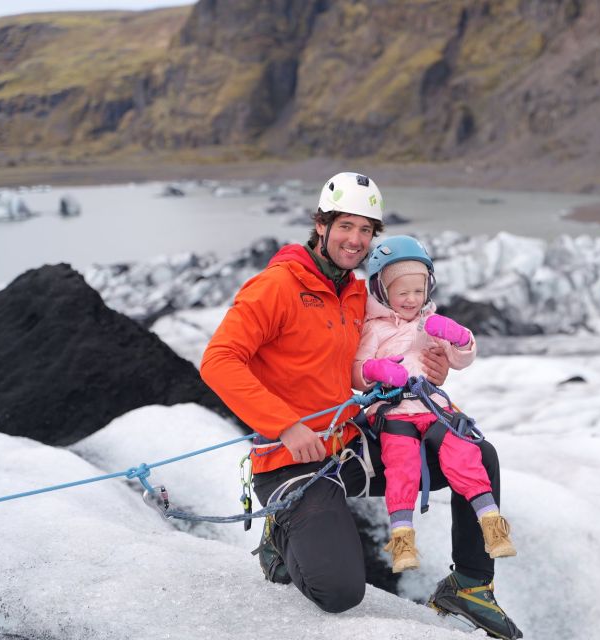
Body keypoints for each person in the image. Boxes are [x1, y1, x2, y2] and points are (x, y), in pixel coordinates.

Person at [199, 172, 523, 640]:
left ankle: (470, 584)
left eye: (366, 229)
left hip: (349, 448)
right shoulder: (275, 287)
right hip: (291, 458)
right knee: (339, 592)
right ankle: (280, 532)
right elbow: (218, 361)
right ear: (321, 225)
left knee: (475, 450)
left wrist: (431, 367)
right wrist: (286, 426)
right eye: (346, 226)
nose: (355, 239)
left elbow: (386, 350)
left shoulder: (355, 291)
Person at [351, 235, 517, 576]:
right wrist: (375, 370)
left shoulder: (431, 322)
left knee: (463, 453)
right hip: (394, 411)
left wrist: (459, 337)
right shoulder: (375, 329)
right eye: (402, 292)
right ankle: (402, 538)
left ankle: (490, 521)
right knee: (402, 467)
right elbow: (358, 370)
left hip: (432, 406)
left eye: (419, 290)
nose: (412, 300)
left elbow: (460, 359)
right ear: (382, 291)